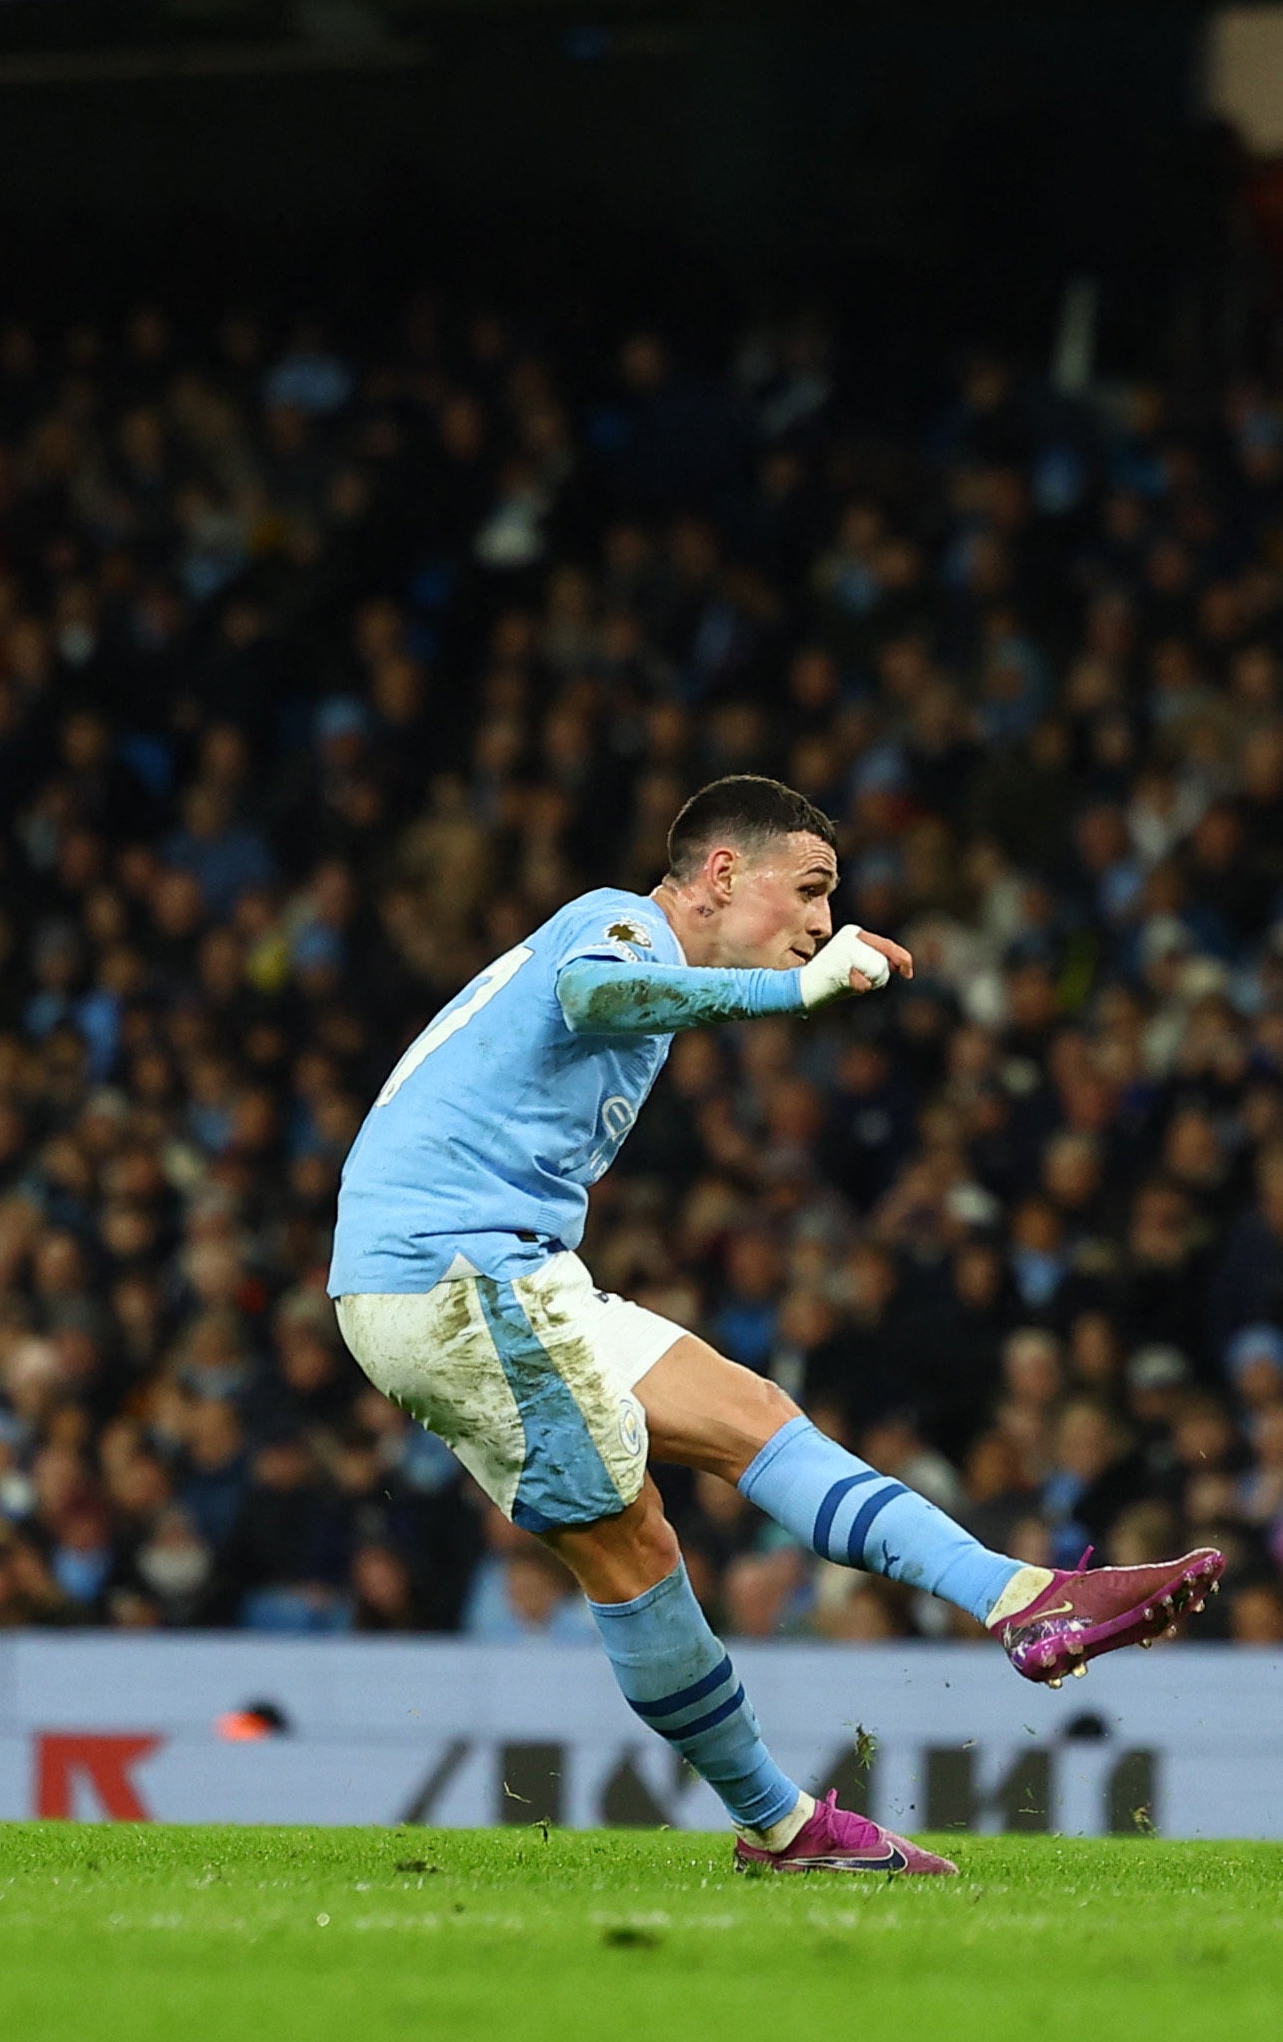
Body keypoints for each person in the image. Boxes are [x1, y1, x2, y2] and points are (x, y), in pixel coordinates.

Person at [329, 776, 1223, 1876]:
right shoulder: (614, 924)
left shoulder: (646, 970)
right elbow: (598, 996)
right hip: (453, 1276)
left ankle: (1024, 1600)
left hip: (508, 1272)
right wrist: (798, 996)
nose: (819, 922)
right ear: (719, 874)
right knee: (633, 1546)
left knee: (753, 1415)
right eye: (808, 891)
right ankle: (781, 1824)